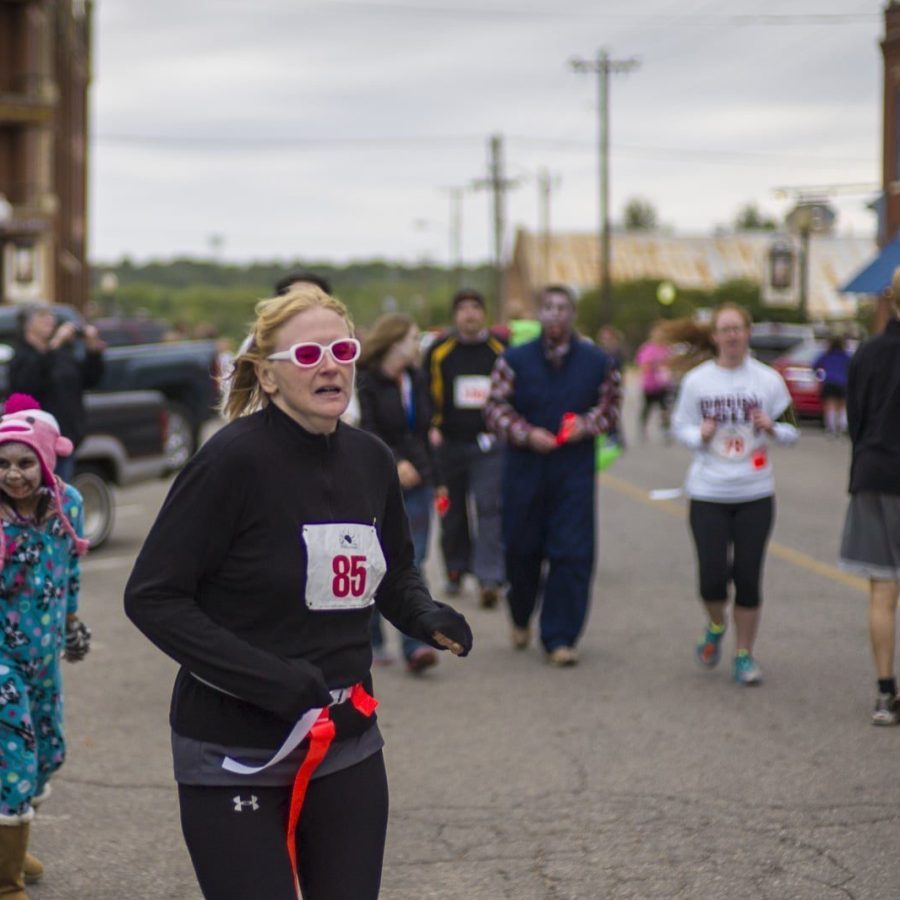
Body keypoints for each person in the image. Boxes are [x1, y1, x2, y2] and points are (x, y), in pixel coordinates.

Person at [123, 284, 472, 900]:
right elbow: (153, 596)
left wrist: (423, 613)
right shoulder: (230, 462)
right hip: (234, 744)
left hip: (344, 736)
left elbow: (392, 571)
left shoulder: (370, 459)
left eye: (342, 348)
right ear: (268, 376)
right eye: (309, 355)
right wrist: (269, 678)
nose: (332, 364)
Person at [484, 284, 621, 666]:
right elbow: (494, 408)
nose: (556, 314)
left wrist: (587, 423)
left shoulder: (597, 361)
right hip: (525, 468)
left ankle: (560, 636)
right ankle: (521, 612)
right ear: (539, 314)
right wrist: (526, 433)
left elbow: (611, 405)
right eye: (548, 307)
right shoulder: (513, 360)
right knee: (522, 549)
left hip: (573, 469)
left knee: (572, 553)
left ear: (573, 313)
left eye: (563, 307)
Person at [671, 303, 799, 686]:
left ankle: (744, 654)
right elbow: (680, 427)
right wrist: (701, 435)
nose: (731, 336)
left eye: (737, 329)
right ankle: (715, 624)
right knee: (711, 579)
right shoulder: (698, 381)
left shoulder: (767, 380)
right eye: (724, 330)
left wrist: (772, 427)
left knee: (748, 576)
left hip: (754, 491)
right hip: (708, 491)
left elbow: (791, 430)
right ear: (714, 337)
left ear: (748, 332)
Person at [0, 394, 90, 899]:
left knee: (49, 750)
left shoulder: (68, 504)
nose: (15, 475)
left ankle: (10, 837)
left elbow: (70, 564)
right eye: (4, 464)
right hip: (0, 659)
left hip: (43, 652)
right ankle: (6, 879)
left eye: (25, 462)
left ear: (46, 461)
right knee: (15, 755)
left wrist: (72, 621)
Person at [356, 313, 439, 674]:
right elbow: (368, 430)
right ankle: (370, 638)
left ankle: (415, 644)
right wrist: (395, 462)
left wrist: (430, 470)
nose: (417, 343)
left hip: (421, 479)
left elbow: (423, 429)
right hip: (379, 481)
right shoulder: (366, 381)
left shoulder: (417, 378)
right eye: (413, 337)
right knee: (376, 562)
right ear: (393, 342)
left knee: (413, 560)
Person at [837, 276, 900, 725]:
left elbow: (854, 422)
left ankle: (884, 693)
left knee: (882, 589)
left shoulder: (867, 353)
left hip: (873, 473)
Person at [424, 289, 506, 606]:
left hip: (489, 445)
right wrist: (431, 426)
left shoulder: (500, 349)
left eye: (475, 307)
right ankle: (456, 569)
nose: (469, 314)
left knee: (489, 508)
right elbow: (425, 391)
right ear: (455, 315)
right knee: (451, 510)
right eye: (463, 309)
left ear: (484, 313)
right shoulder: (439, 351)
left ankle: (490, 577)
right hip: (449, 444)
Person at [9, 302, 105, 481]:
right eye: (42, 316)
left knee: (60, 496)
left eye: (51, 316)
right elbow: (28, 385)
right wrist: (55, 344)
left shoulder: (61, 354)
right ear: (28, 324)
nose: (50, 320)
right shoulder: (22, 356)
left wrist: (93, 352)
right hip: (34, 443)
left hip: (65, 438)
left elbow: (89, 380)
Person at [635, 324, 674, 441]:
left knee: (665, 408)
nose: (660, 336)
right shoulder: (647, 348)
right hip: (650, 385)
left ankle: (665, 429)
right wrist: (652, 364)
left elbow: (671, 363)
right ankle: (642, 428)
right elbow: (643, 366)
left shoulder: (666, 348)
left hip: (663, 384)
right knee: (647, 408)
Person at [813, 335, 852, 437]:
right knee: (842, 405)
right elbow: (853, 367)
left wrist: (819, 375)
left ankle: (831, 428)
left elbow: (814, 365)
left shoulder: (826, 355)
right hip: (843, 382)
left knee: (830, 405)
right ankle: (843, 426)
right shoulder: (846, 356)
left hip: (829, 382)